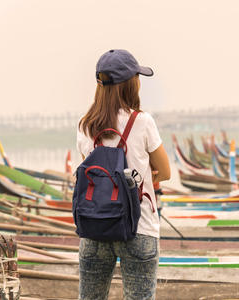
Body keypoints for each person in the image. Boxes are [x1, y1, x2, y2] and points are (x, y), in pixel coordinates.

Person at [76, 49, 171, 300]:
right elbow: (166, 172)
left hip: (94, 225)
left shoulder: (85, 125)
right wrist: (141, 173)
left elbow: (92, 177)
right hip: (139, 227)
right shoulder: (142, 122)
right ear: (130, 84)